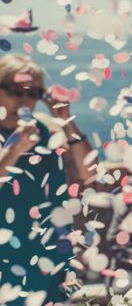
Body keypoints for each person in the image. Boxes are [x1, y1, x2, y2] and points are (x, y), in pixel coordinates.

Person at [0, 53, 95, 304]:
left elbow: (90, 173)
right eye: (13, 90)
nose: (23, 100)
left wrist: (65, 120)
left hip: (47, 252)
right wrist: (13, 151)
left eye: (33, 93)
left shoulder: (47, 131)